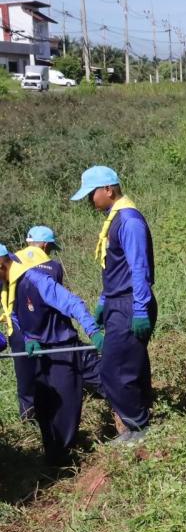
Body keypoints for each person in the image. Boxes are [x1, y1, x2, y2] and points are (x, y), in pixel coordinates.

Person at [72, 165, 156, 444]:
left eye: (91, 194)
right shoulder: (114, 219)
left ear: (108, 189)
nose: (89, 200)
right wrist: (103, 301)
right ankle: (137, 425)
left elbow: (138, 267)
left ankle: (139, 427)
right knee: (130, 365)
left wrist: (141, 309)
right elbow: (115, 269)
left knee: (113, 369)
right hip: (117, 302)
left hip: (131, 304)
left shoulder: (129, 221)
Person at [0, 244, 105, 465]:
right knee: (43, 404)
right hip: (42, 353)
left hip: (62, 349)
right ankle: (53, 456)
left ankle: (65, 458)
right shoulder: (9, 287)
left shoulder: (35, 280)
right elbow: (17, 316)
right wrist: (30, 339)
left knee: (65, 405)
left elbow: (72, 303)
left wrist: (93, 332)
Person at [7, 225, 65, 420]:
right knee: (49, 372)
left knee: (24, 376)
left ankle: (27, 417)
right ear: (46, 245)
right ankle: (51, 417)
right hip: (46, 328)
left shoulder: (10, 261)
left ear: (28, 242)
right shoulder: (53, 266)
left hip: (16, 328)